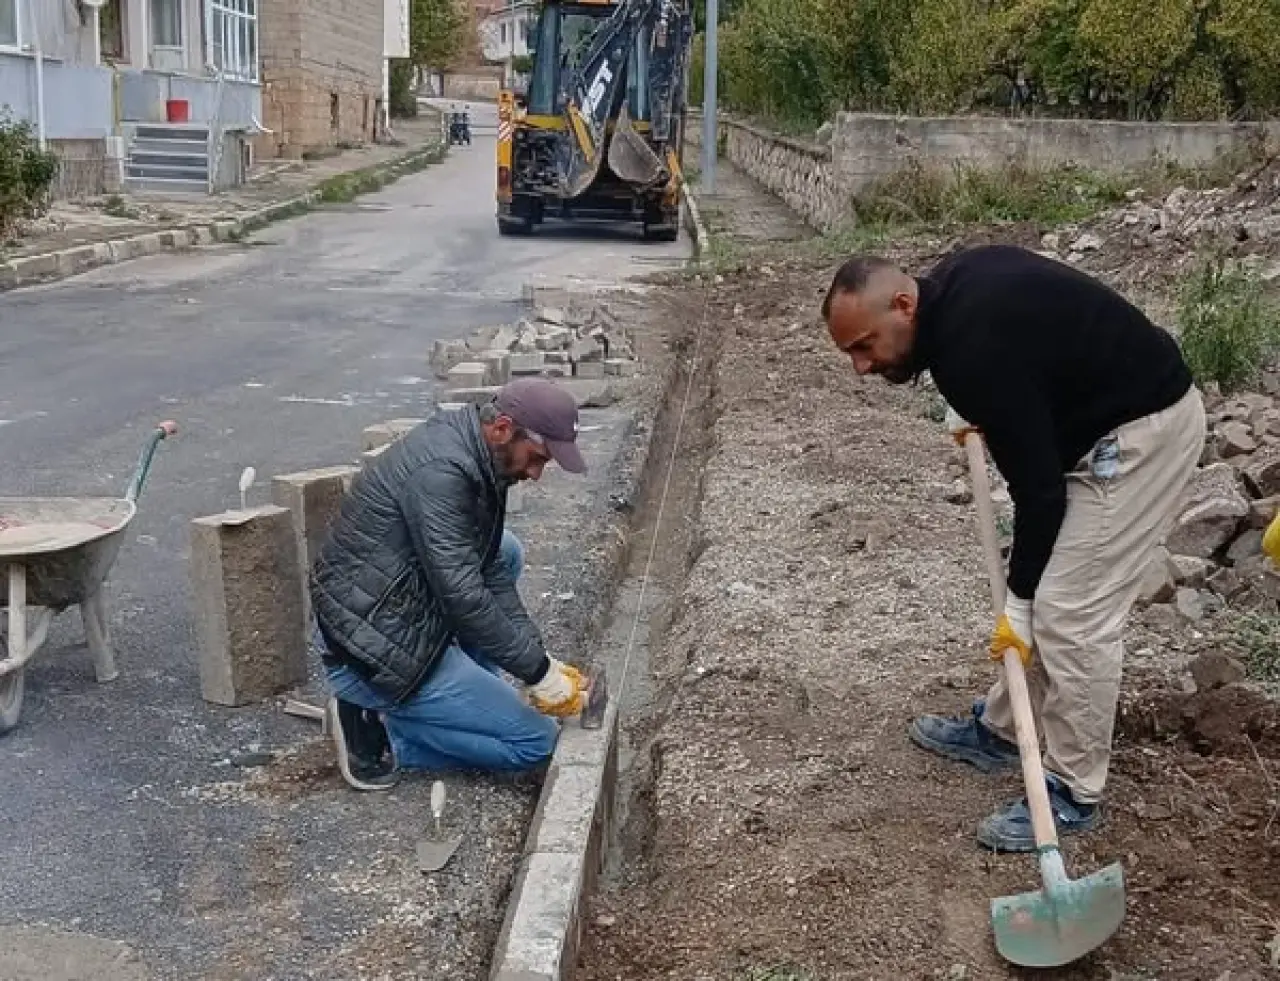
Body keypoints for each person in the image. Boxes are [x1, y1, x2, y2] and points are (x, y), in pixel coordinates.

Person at [821, 244, 1205, 852]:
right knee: (1054, 591)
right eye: (851, 353)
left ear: (903, 304)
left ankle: (1074, 790)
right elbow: (1023, 361)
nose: (861, 368)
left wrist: (1021, 603)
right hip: (1094, 420)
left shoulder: (974, 351)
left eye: (865, 345)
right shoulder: (948, 290)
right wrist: (983, 408)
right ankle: (1005, 730)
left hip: (1142, 431)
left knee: (1069, 610)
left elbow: (1040, 496)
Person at [308, 378, 592, 791]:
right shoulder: (443, 474)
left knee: (505, 551)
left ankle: (459, 695)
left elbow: (490, 565)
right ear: (502, 429)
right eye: (537, 458)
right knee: (536, 741)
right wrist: (538, 674)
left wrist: (535, 656)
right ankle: (383, 733)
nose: (536, 473)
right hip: (371, 646)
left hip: (395, 602)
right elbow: (465, 598)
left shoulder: (477, 451)